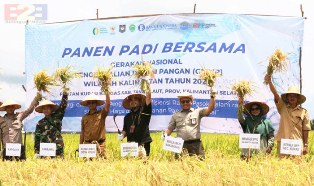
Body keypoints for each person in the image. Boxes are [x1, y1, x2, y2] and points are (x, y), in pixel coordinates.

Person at [264, 75, 311, 157]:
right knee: (282, 167)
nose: (292, 97)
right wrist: (270, 82)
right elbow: (275, 94)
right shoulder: (282, 107)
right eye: (290, 95)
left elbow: (305, 129)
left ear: (298, 98)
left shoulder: (304, 112)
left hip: (297, 144)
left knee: (297, 167)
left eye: (294, 95)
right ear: (287, 97)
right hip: (283, 143)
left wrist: (305, 145)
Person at [164, 89, 216, 159]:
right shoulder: (175, 115)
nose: (185, 103)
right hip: (181, 145)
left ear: (191, 102)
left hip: (196, 144)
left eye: (187, 101)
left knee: (200, 166)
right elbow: (170, 129)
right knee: (181, 167)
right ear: (180, 103)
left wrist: (212, 97)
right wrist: (165, 135)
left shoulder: (197, 112)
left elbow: (210, 109)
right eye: (183, 101)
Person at [0, 93, 42, 161]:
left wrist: (36, 98)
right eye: (8, 107)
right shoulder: (1, 119)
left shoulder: (19, 116)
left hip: (18, 148)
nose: (10, 108)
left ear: (14, 108)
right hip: (6, 149)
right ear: (5, 108)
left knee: (20, 168)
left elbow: (29, 110)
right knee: (7, 169)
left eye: (12, 106)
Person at [120, 83, 152, 156]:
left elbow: (148, 99)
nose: (133, 101)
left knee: (144, 165)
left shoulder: (144, 113)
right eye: (131, 99)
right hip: (130, 145)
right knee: (131, 166)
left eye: (136, 99)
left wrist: (146, 82)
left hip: (143, 144)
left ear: (140, 102)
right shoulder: (127, 117)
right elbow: (125, 129)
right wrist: (122, 135)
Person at [34, 91, 68, 158]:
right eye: (44, 108)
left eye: (48, 108)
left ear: (51, 109)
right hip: (45, 149)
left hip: (57, 147)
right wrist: (37, 151)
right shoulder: (39, 123)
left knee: (58, 165)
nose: (46, 110)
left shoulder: (58, 117)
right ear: (42, 110)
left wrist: (65, 94)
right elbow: (37, 138)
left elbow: (63, 105)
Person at [79, 93, 110, 158]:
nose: (91, 104)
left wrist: (107, 90)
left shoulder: (102, 114)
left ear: (96, 104)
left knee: (102, 165)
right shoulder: (84, 117)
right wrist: (80, 147)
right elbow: (82, 132)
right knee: (87, 166)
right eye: (89, 103)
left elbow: (108, 104)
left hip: (100, 145)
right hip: (88, 146)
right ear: (87, 105)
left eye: (93, 103)